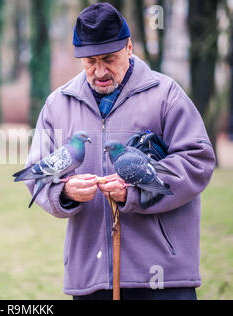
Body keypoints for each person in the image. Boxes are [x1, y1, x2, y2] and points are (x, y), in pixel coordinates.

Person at [24, 2, 216, 300]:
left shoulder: (166, 95)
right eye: (90, 61)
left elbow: (197, 160)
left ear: (129, 47)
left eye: (109, 59)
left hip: (162, 278)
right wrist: (65, 192)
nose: (99, 71)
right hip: (90, 278)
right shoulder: (57, 104)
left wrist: (137, 191)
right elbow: (37, 177)